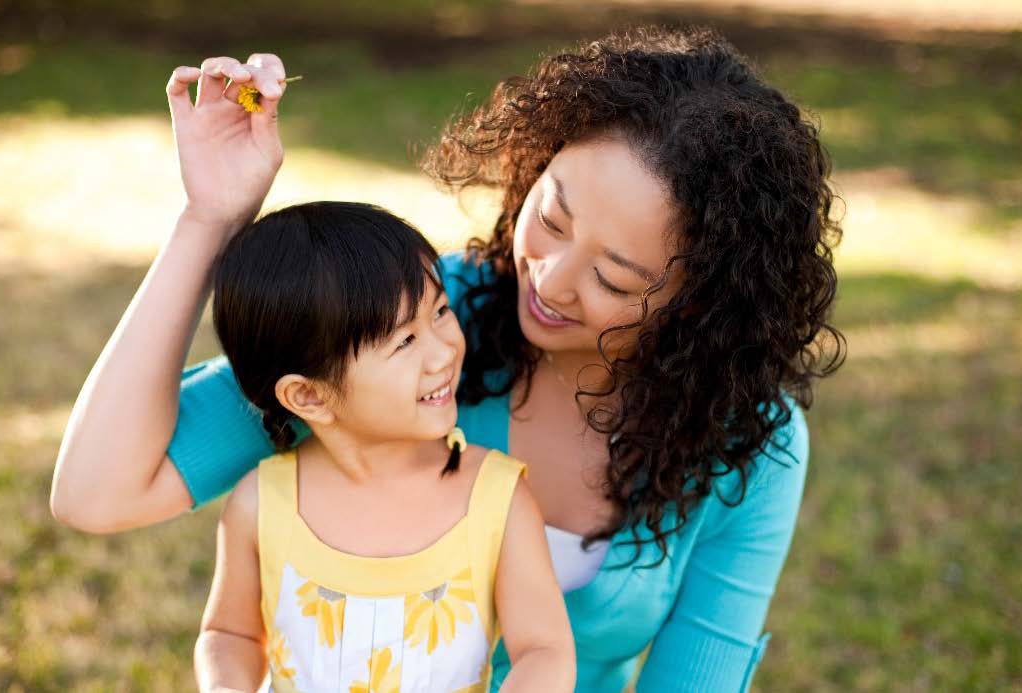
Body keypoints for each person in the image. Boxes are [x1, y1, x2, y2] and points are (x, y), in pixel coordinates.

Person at [52, 25, 844, 692]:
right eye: (553, 216)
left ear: (701, 300)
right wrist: (209, 218)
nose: (550, 279)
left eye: (613, 277)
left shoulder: (748, 442)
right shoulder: (428, 324)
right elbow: (98, 494)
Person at [194, 201, 573, 692]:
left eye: (440, 312)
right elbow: (230, 633)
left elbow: (544, 650)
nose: (443, 351)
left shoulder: (496, 500)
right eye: (404, 342)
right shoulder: (261, 506)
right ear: (308, 395)